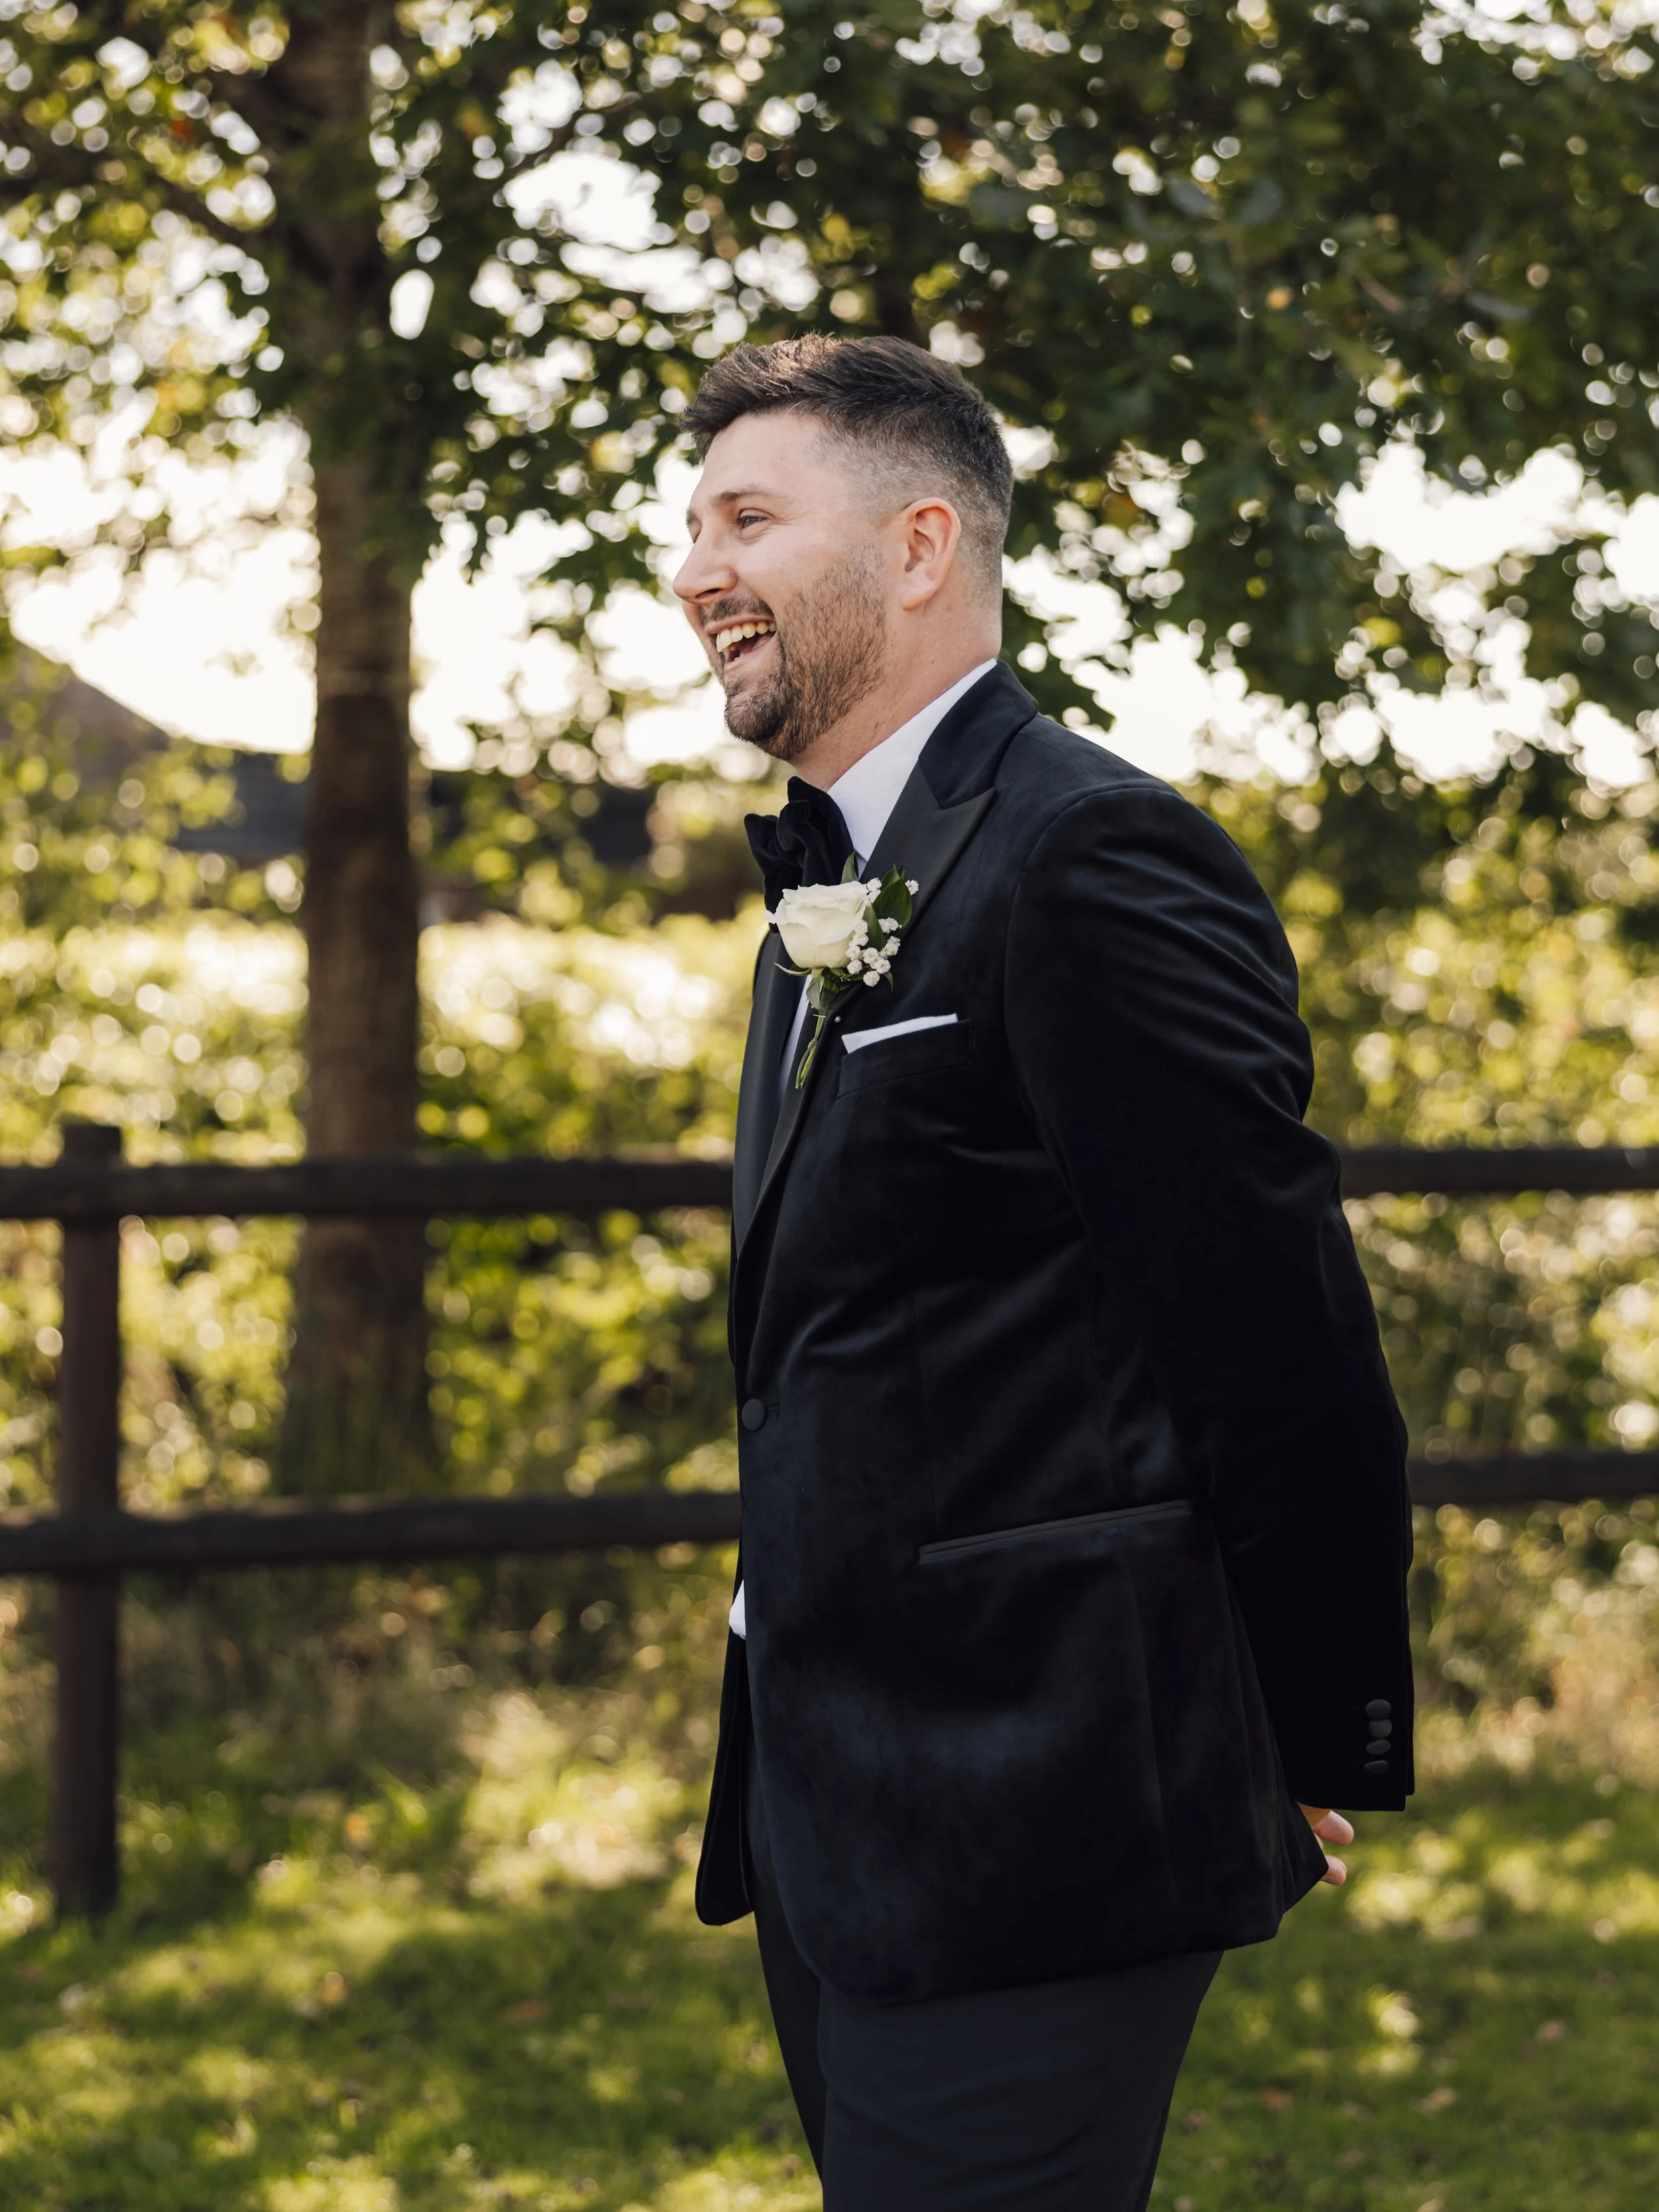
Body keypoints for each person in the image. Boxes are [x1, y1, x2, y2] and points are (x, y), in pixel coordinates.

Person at [671, 333, 1413, 2212]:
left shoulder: (1091, 856)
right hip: (839, 1802)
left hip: (1041, 1788)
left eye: (750, 517)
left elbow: (1275, 1339)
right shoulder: (831, 884)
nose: (697, 572)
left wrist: (1309, 1726)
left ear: (922, 545)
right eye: (688, 526)